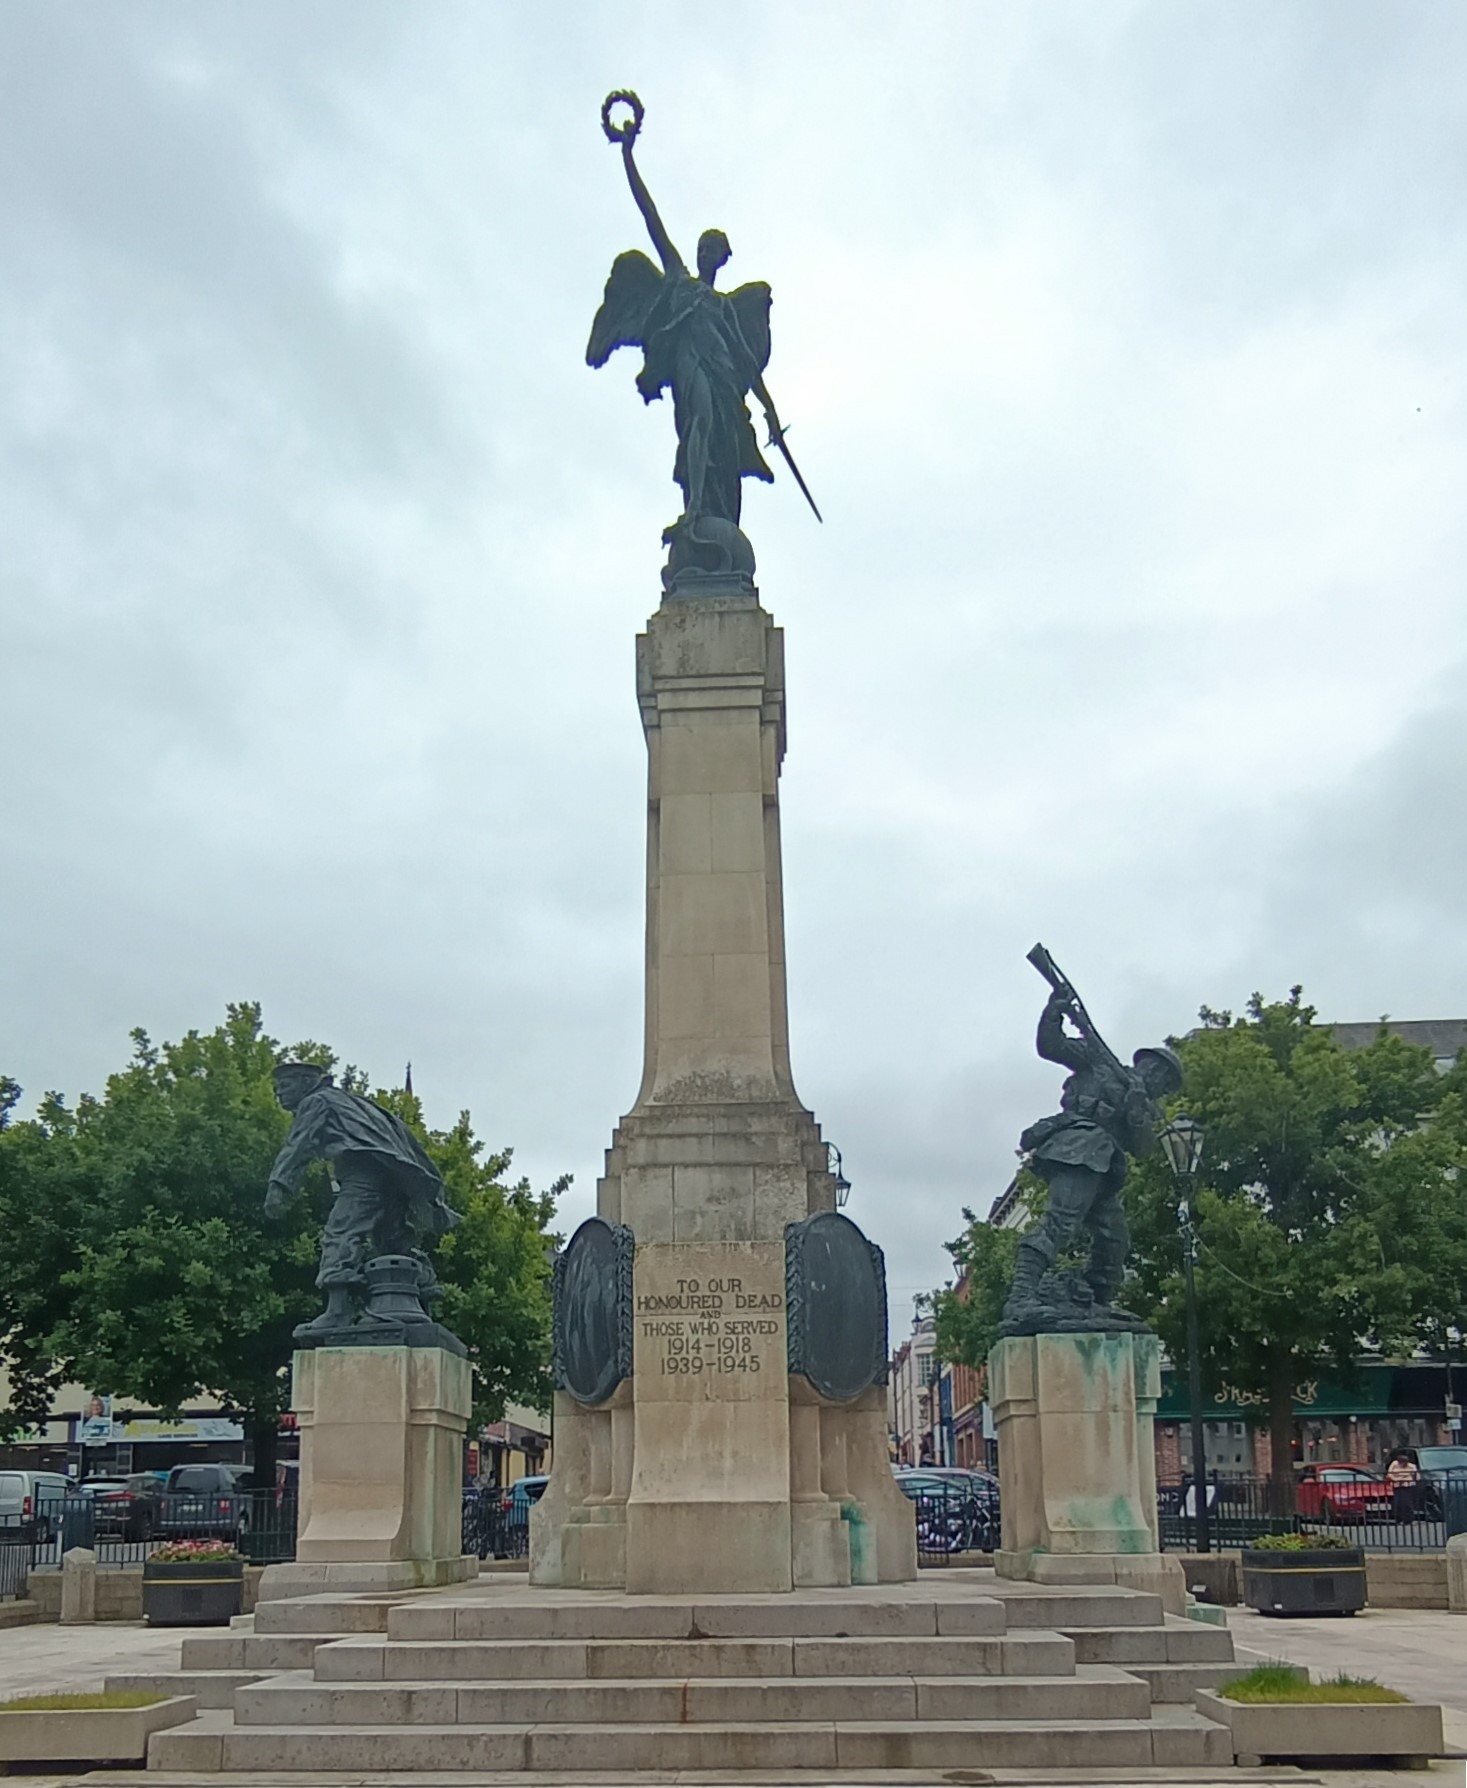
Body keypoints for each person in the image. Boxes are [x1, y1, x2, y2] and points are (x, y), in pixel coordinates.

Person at [1002, 990, 1184, 1326]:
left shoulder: (1142, 1103)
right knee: (1060, 1222)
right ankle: (1021, 1298)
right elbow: (1051, 1046)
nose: (1162, 1085)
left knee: (1115, 1239)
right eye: (1161, 1076)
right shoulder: (1099, 1062)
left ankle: (1094, 1301)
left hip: (1104, 1170)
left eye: (1168, 1084)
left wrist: (1135, 1108)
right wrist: (1054, 1011)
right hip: (1078, 1151)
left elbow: (1143, 1148)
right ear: (1147, 1065)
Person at [264, 1061, 461, 1334]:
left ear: (306, 1082)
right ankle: (420, 1301)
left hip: (363, 1175)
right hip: (391, 1175)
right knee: (393, 1242)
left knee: (341, 1231)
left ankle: (337, 1310)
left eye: (285, 1086)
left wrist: (279, 1185)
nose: (279, 1093)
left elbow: (298, 1145)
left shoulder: (317, 1102)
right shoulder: (350, 1102)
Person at [1385, 1448, 1422, 1522]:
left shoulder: (1411, 1466)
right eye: (1400, 1463)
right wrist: (1396, 1480)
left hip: (1407, 1485)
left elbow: (1417, 1477)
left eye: (1404, 1463)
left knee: (1407, 1503)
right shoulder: (1394, 1464)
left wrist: (1409, 1479)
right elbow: (1389, 1475)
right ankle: (1398, 1519)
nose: (1402, 1465)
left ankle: (1408, 1519)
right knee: (1398, 1503)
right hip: (1397, 1485)